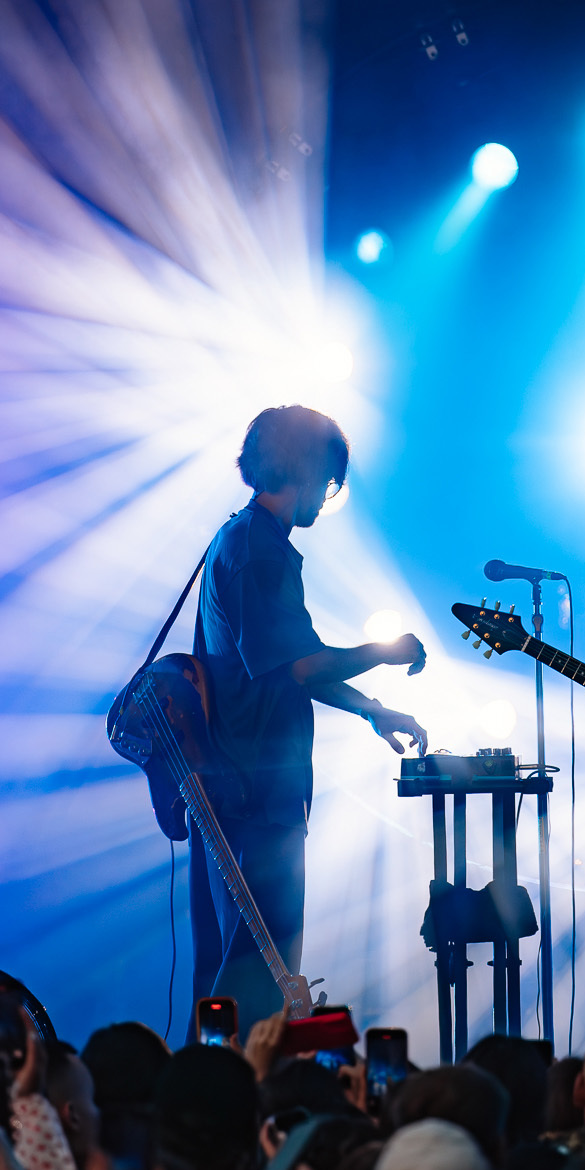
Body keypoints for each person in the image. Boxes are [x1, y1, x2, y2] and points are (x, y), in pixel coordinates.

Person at [190, 405, 429, 1033]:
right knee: (256, 982)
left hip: (242, 794)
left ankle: (217, 1084)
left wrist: (371, 708)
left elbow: (287, 668)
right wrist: (386, 652)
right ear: (307, 469)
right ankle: (232, 1087)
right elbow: (300, 666)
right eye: (328, 482)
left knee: (237, 978)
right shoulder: (258, 550)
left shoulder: (244, 539)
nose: (327, 498)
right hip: (256, 796)